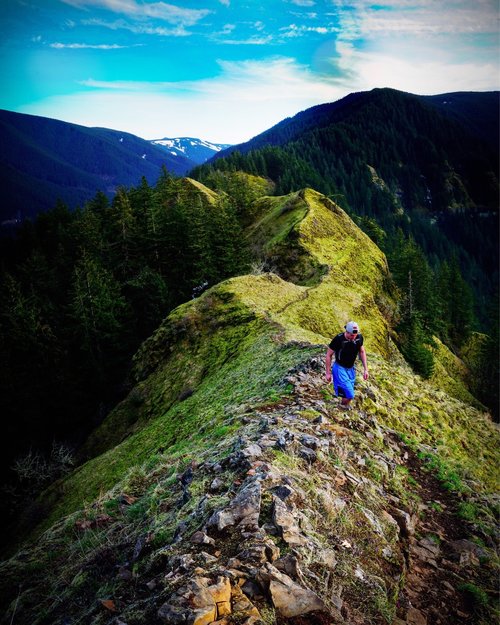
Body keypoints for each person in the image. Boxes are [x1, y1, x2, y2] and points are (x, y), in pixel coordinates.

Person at [325, 321, 369, 407]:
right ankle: (342, 407)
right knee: (350, 394)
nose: (353, 337)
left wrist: (366, 369)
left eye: (355, 335)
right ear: (347, 332)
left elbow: (362, 351)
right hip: (339, 368)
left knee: (346, 392)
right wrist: (328, 372)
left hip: (351, 369)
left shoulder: (359, 338)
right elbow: (328, 355)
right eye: (352, 335)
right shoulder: (338, 339)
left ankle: (343, 407)